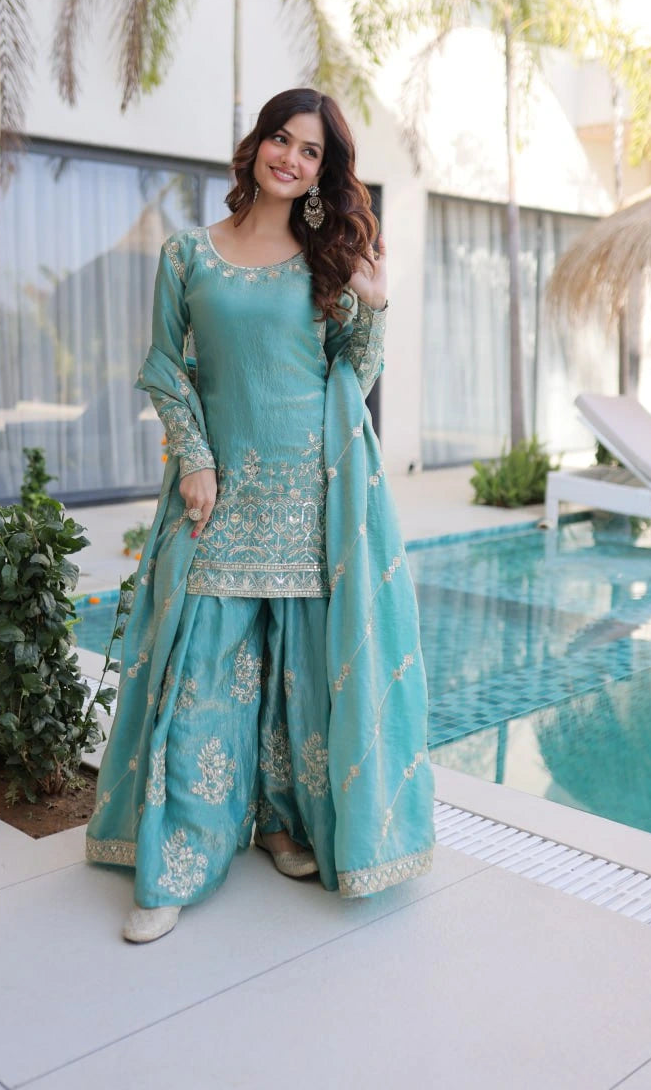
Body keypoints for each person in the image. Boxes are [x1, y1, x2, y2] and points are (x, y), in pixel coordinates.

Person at [86, 88, 434, 942]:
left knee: (300, 674)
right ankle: (176, 862)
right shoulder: (187, 256)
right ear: (256, 145)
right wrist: (195, 460)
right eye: (282, 138)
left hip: (315, 494)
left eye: (311, 151)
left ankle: (281, 824)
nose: (291, 157)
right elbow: (167, 371)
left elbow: (355, 369)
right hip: (222, 496)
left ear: (324, 171)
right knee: (201, 673)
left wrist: (375, 299)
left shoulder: (326, 260)